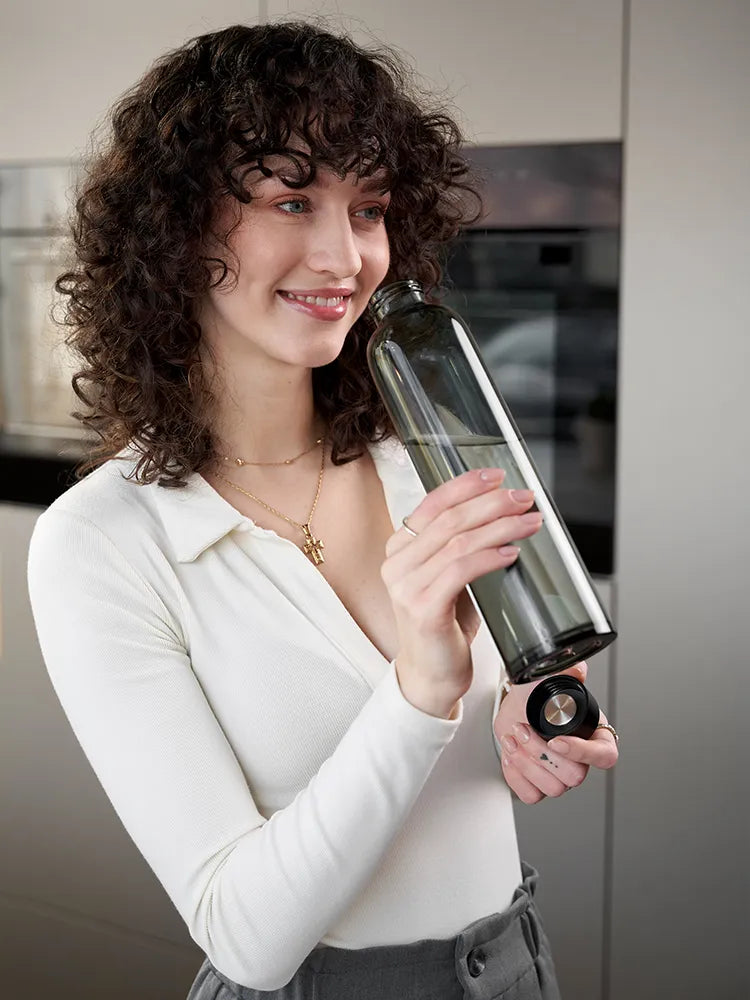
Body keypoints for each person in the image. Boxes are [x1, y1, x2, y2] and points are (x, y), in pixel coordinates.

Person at [27, 21, 618, 1000]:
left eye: (369, 208)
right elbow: (244, 937)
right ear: (178, 229)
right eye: (292, 199)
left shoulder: (426, 451)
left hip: (515, 966)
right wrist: (421, 688)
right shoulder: (102, 541)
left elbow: (515, 681)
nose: (346, 256)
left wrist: (524, 699)